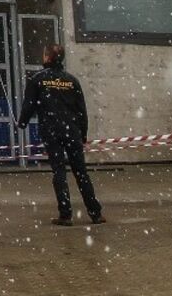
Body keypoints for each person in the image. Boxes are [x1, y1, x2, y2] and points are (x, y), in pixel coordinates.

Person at [16, 44, 104, 226]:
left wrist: (22, 122)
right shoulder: (72, 81)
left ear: (47, 58)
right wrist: (83, 133)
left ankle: (65, 214)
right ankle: (95, 213)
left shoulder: (38, 79)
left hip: (52, 131)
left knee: (59, 171)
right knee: (81, 172)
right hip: (72, 131)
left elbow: (29, 104)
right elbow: (81, 110)